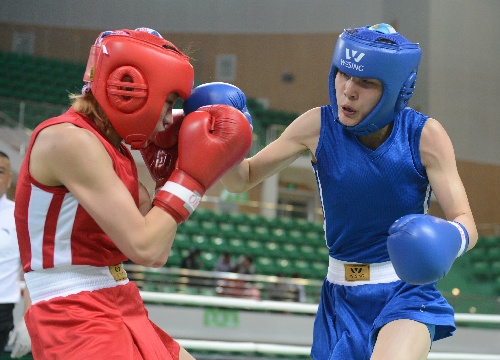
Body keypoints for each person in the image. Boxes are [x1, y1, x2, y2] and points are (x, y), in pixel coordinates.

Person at [221, 23, 478, 359]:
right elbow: (243, 179)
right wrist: (223, 140)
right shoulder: (316, 125)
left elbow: (466, 221)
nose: (348, 91)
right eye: (343, 74)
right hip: (339, 297)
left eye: (366, 82)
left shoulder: (425, 135)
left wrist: (447, 238)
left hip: (404, 292)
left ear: (397, 89)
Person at [14, 28, 252, 359]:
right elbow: (145, 246)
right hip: (73, 313)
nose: (169, 117)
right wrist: (191, 177)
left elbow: (158, 252)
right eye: (168, 102)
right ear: (132, 89)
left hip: (115, 297)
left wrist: (167, 181)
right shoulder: (69, 141)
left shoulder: (116, 152)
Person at [0, 151, 31, 359]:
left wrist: (28, 319)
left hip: (2, 311)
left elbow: (33, 268)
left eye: (0, 171)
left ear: (10, 178)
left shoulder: (19, 215)